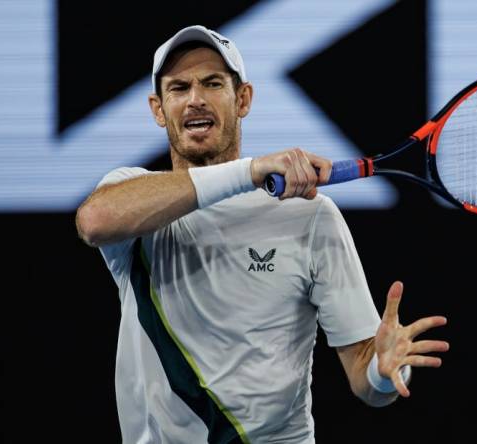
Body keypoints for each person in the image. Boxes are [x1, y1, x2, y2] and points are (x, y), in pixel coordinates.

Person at [76, 25, 449, 443]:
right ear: (158, 109)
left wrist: (382, 373)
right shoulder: (135, 200)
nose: (195, 98)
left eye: (212, 83)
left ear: (243, 99)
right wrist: (251, 171)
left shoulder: (311, 217)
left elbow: (365, 375)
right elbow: (94, 221)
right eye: (178, 88)